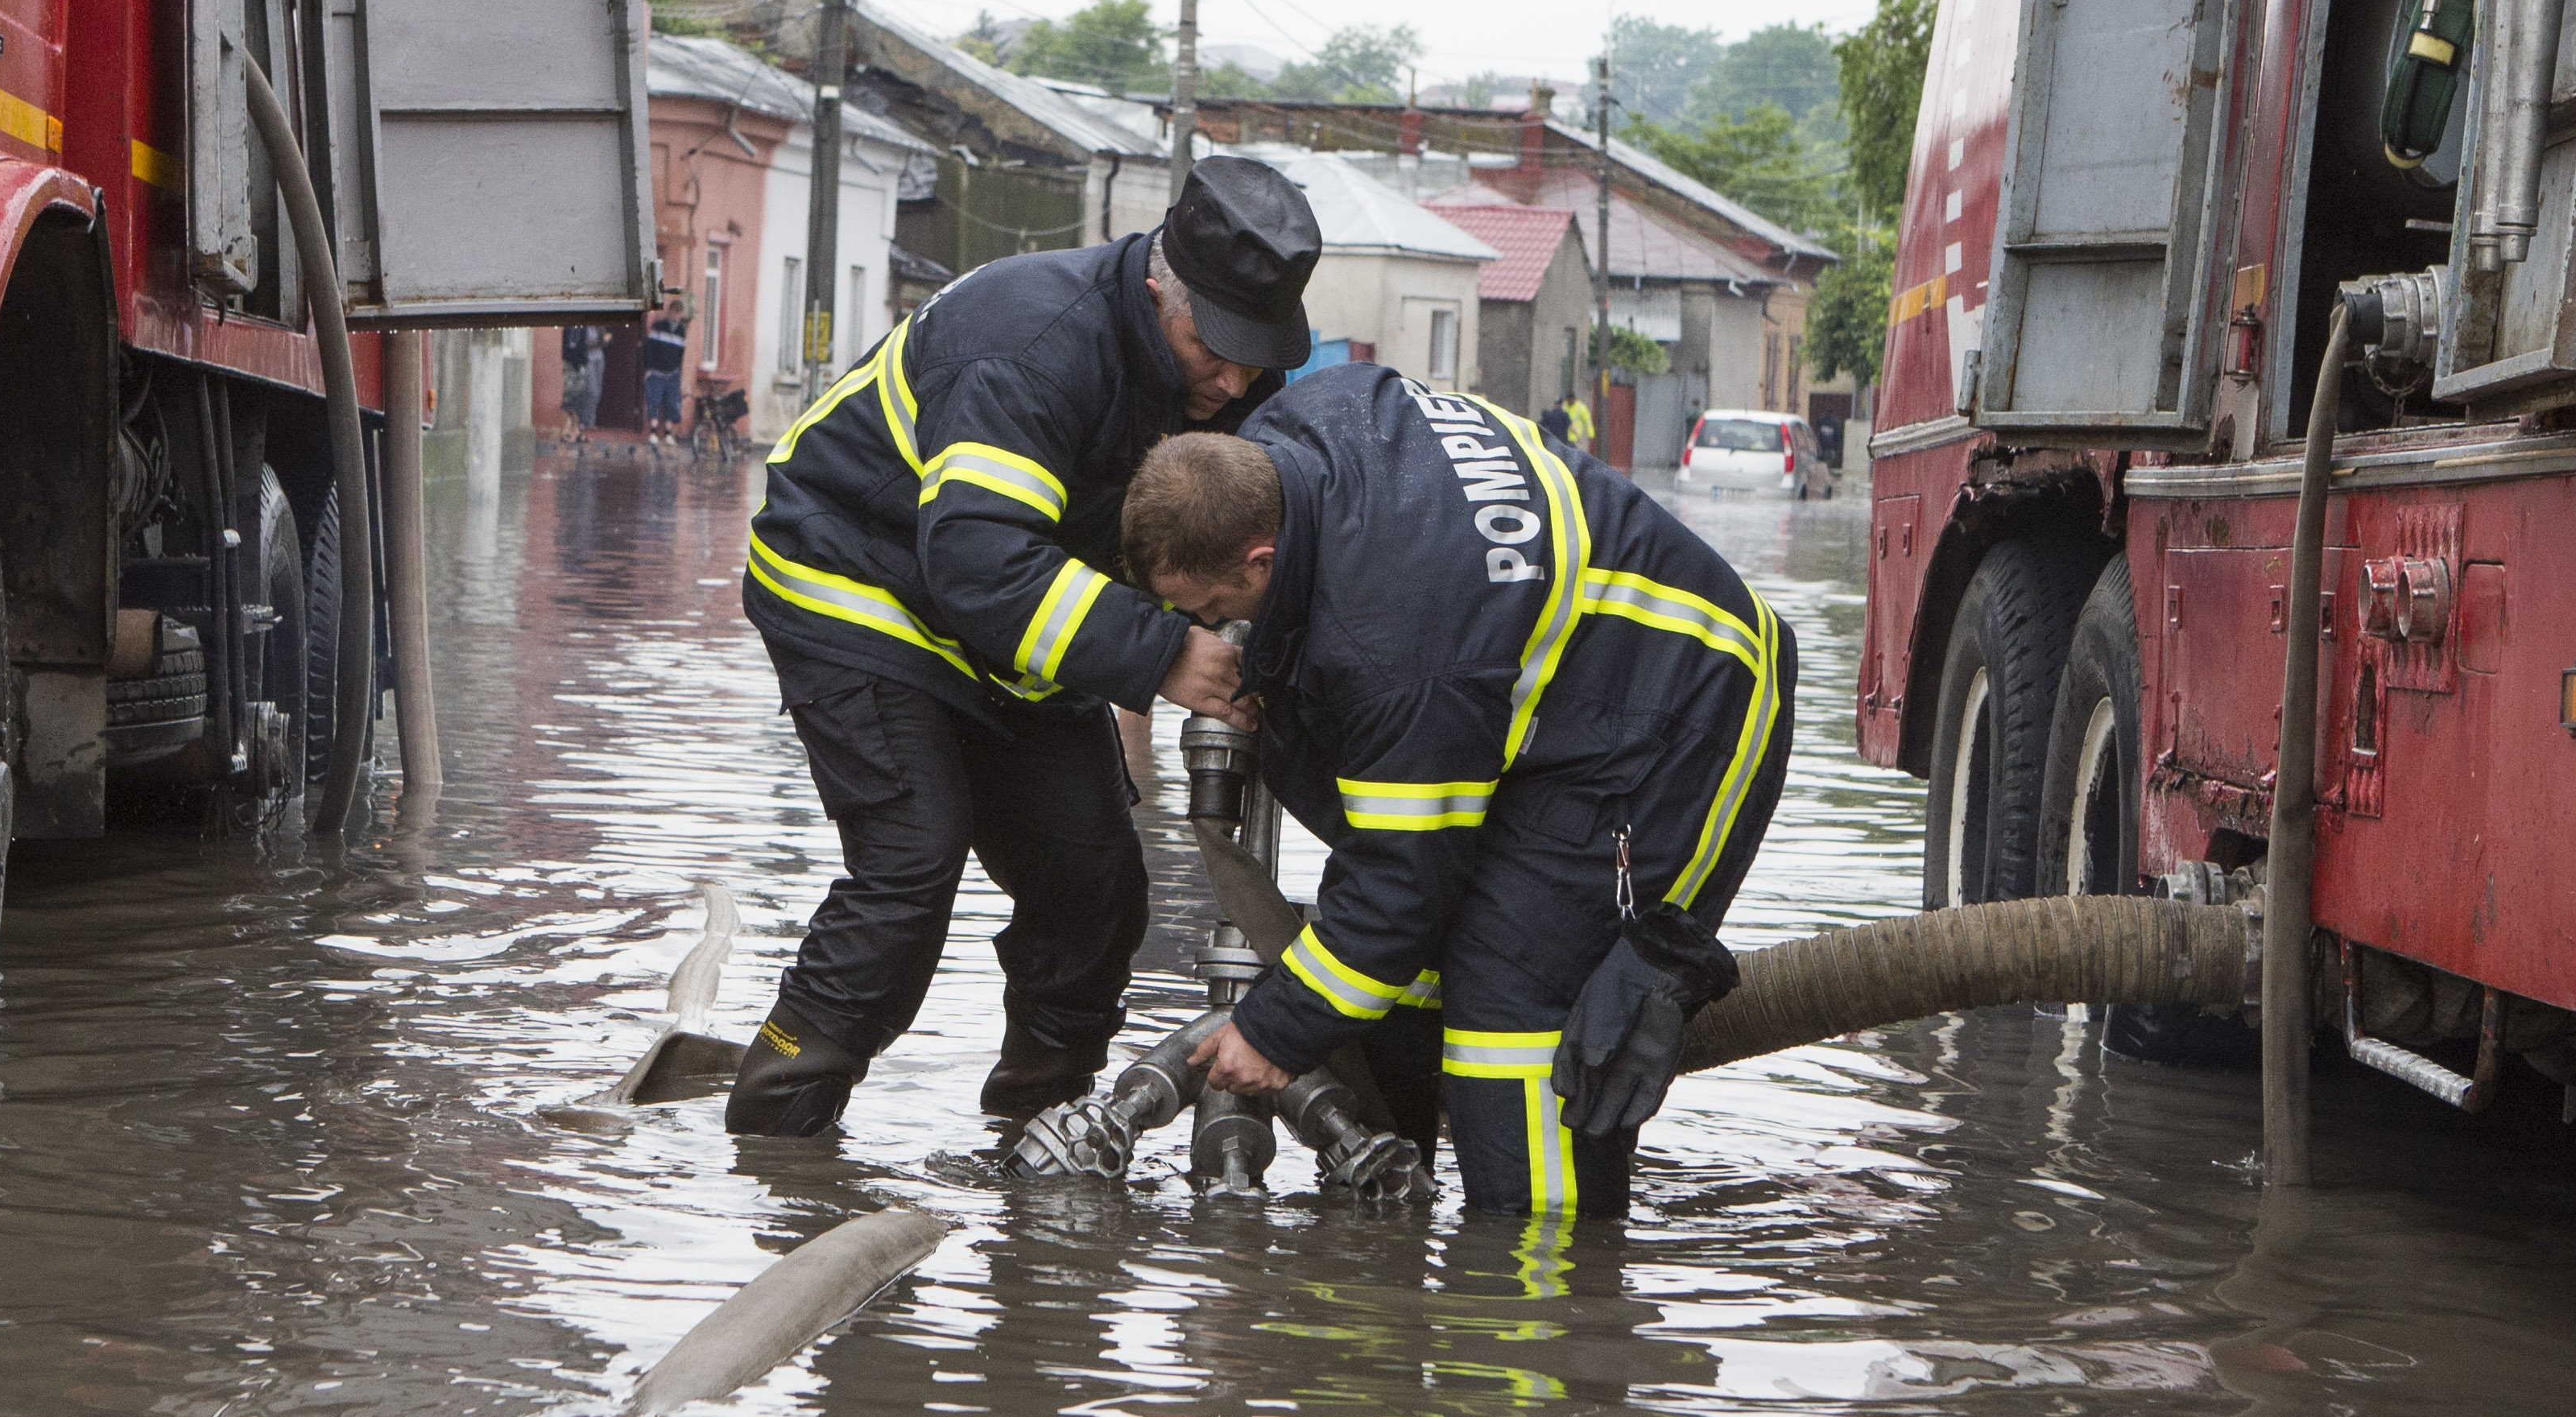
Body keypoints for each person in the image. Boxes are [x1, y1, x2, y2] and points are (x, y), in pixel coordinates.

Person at [728, 156, 1326, 1136]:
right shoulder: (1028, 340)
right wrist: (1165, 656)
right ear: (1158, 291)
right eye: (1213, 349)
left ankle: (1042, 1139)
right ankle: (778, 1131)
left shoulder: (1229, 378)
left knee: (1095, 885)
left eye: (1258, 357)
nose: (1234, 380)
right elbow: (980, 564)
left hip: (1017, 625)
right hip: (860, 582)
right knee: (911, 865)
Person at [1118, 366, 1792, 1210]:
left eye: (1216, 609)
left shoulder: (1399, 652)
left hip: (1676, 714)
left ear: (1261, 558)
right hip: (1547, 686)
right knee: (1406, 989)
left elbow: (1398, 893)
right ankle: (1396, 1222)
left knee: (1515, 1014)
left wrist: (1271, 1031)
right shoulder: (1300, 428)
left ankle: (1539, 1264)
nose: (1211, 631)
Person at [640, 296, 689, 444]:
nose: (677, 315)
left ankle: (668, 433)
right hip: (656, 372)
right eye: (675, 312)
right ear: (670, 312)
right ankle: (653, 432)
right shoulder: (659, 327)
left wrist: (679, 372)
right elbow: (649, 349)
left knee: (672, 402)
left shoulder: (681, 331)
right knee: (654, 400)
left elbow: (680, 354)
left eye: (679, 313)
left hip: (673, 373)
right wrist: (648, 369)